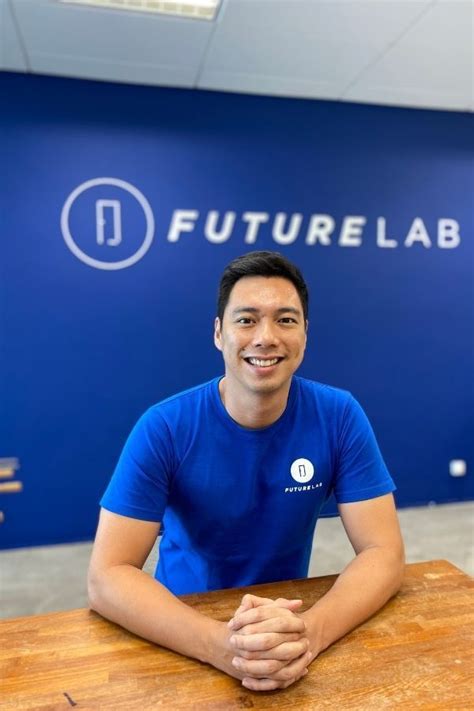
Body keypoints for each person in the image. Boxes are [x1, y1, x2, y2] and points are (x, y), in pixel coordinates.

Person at [88, 250, 405, 692]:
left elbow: (384, 553)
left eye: (286, 320)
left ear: (305, 334)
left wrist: (310, 635)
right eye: (246, 320)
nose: (266, 337)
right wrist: (222, 646)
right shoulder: (164, 427)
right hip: (180, 625)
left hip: (287, 624)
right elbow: (107, 575)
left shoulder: (339, 416)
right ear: (219, 333)